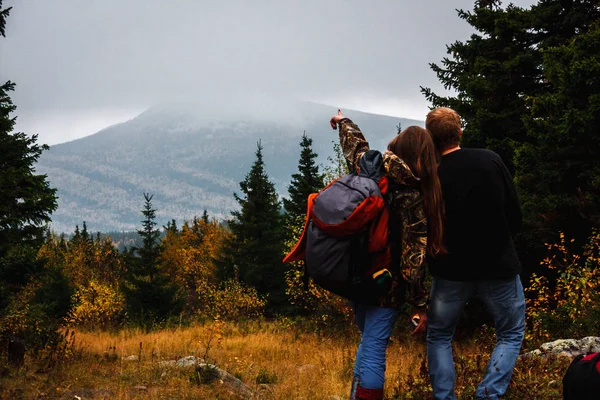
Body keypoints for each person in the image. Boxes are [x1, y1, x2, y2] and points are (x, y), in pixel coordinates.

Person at [330, 110, 446, 400]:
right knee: (373, 348)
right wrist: (420, 304)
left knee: (367, 342)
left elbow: (355, 147)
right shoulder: (412, 194)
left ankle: (357, 395)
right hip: (386, 284)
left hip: (354, 274)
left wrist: (343, 122)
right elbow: (413, 258)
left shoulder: (371, 167)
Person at [424, 107, 526, 400]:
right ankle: (488, 393)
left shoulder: (431, 175)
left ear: (431, 138)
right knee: (509, 333)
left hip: (449, 271)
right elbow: (514, 213)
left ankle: (445, 397)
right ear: (460, 132)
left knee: (440, 335)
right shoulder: (489, 160)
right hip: (499, 267)